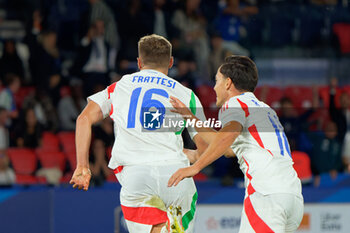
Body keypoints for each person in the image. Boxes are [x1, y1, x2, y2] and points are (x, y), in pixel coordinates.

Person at [70, 34, 210, 233]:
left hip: (137, 177)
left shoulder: (119, 87)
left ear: (139, 62)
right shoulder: (186, 94)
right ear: (170, 62)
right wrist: (189, 154)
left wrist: (82, 166)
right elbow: (204, 148)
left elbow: (83, 119)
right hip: (177, 175)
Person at [168, 55, 304, 232]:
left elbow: (228, 135)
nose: (214, 87)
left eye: (217, 81)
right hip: (292, 197)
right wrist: (190, 118)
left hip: (266, 195)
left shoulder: (234, 103)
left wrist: (196, 167)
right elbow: (229, 148)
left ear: (228, 83)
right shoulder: (264, 108)